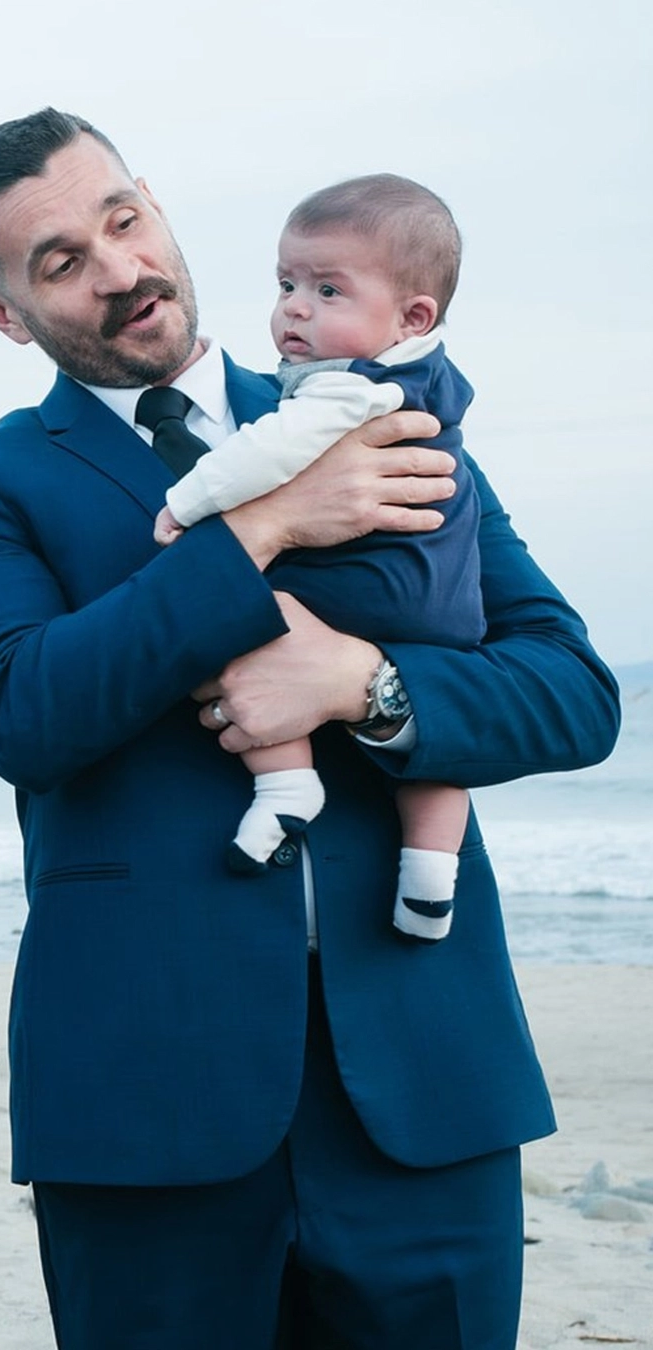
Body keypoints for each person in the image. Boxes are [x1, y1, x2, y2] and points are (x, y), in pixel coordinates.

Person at [0, 111, 619, 1347]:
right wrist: (265, 527)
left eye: (123, 220)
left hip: (424, 1093)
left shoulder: (380, 404)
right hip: (143, 1110)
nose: (120, 268)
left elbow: (570, 689)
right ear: (3, 315)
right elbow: (19, 711)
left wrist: (366, 688)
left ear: (158, 206)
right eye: (61, 260)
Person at [152, 175, 482, 943]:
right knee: (440, 758)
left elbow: (263, 454)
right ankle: (431, 881)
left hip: (366, 586)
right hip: (445, 602)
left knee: (252, 615)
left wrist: (188, 502)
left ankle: (285, 781)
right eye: (287, 283)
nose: (295, 307)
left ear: (411, 317)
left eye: (328, 291)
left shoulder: (347, 390)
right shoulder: (433, 385)